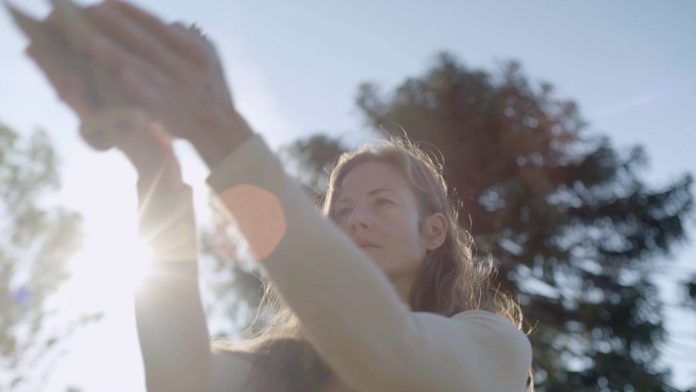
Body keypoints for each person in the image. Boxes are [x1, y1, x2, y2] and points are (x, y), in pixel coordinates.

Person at [21, 1, 533, 391]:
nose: (356, 222)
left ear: (434, 230)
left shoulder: (495, 344)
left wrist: (217, 129)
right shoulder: (280, 366)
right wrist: (155, 170)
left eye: (382, 202)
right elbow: (180, 379)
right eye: (342, 211)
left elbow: (397, 357)